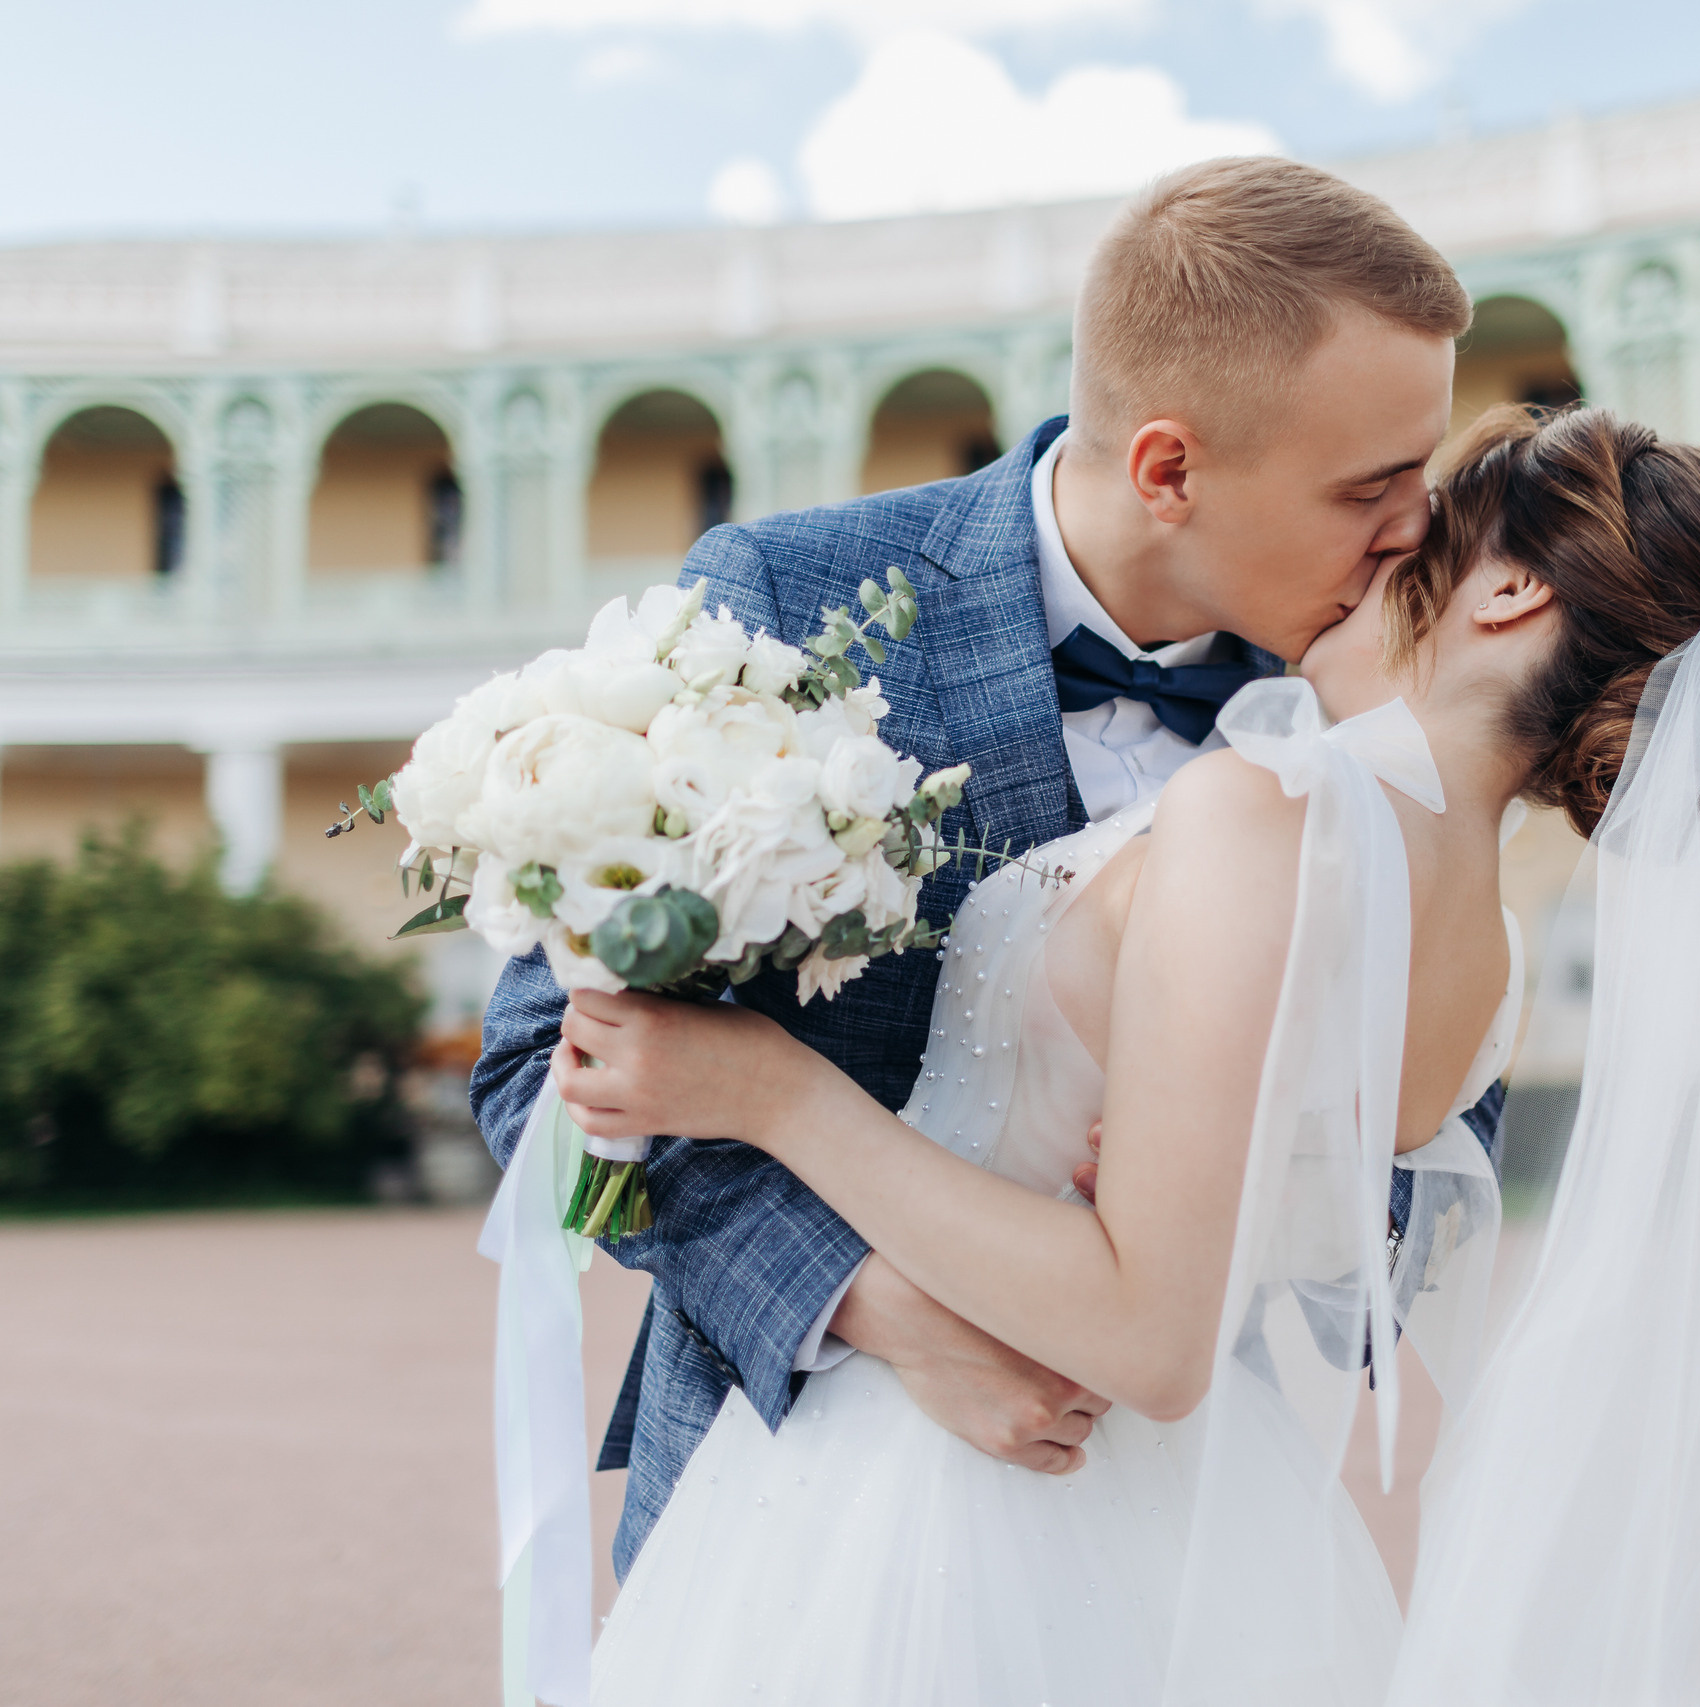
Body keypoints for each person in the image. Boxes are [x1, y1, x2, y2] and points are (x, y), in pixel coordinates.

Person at [555, 404, 1700, 1705]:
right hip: (1200, 1526)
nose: (1369, 552)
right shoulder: (1487, 954)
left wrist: (776, 1094)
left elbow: (1151, 1336)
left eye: (1415, 526)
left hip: (949, 1499)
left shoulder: (1260, 816)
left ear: (1509, 591)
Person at [467, 155, 1483, 1585]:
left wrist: (1278, 1179)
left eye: (1424, 471)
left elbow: (1438, 1126)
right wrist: (878, 1306)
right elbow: (545, 1065)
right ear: (1170, 470)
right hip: (792, 1509)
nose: (1419, 527)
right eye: (1371, 485)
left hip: (1182, 1524)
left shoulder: (1381, 683)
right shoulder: (791, 604)